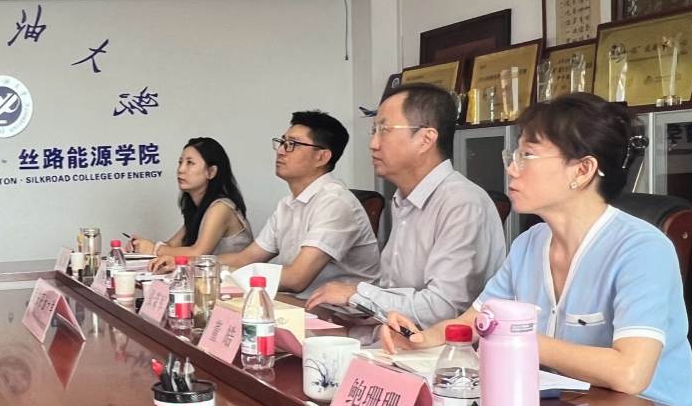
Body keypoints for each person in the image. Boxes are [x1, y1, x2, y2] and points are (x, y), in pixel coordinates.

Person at [380, 93, 692, 406]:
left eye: (527, 156)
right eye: (513, 156)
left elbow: (630, 373)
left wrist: (518, 338)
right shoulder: (529, 243)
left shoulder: (642, 249)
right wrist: (424, 338)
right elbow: (477, 320)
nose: (512, 169)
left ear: (582, 170)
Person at [306, 83, 505, 328]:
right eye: (374, 130)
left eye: (384, 130)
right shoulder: (403, 199)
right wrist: (351, 310)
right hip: (394, 337)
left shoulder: (462, 203)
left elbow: (444, 309)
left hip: (439, 347)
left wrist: (358, 296)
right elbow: (395, 293)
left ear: (426, 139)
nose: (373, 143)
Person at [153, 111, 380, 297]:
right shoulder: (287, 205)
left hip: (342, 317)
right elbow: (245, 258)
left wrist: (219, 271)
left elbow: (297, 279)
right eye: (282, 142)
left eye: (291, 145)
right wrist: (191, 264)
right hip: (301, 306)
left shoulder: (335, 203)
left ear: (322, 157)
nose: (280, 151)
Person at [128, 137, 253, 259]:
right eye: (180, 162)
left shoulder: (221, 208)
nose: (181, 169)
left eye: (190, 163)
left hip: (235, 273)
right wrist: (143, 245)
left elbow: (198, 253)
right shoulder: (199, 208)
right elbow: (171, 245)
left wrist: (154, 249)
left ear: (211, 172)